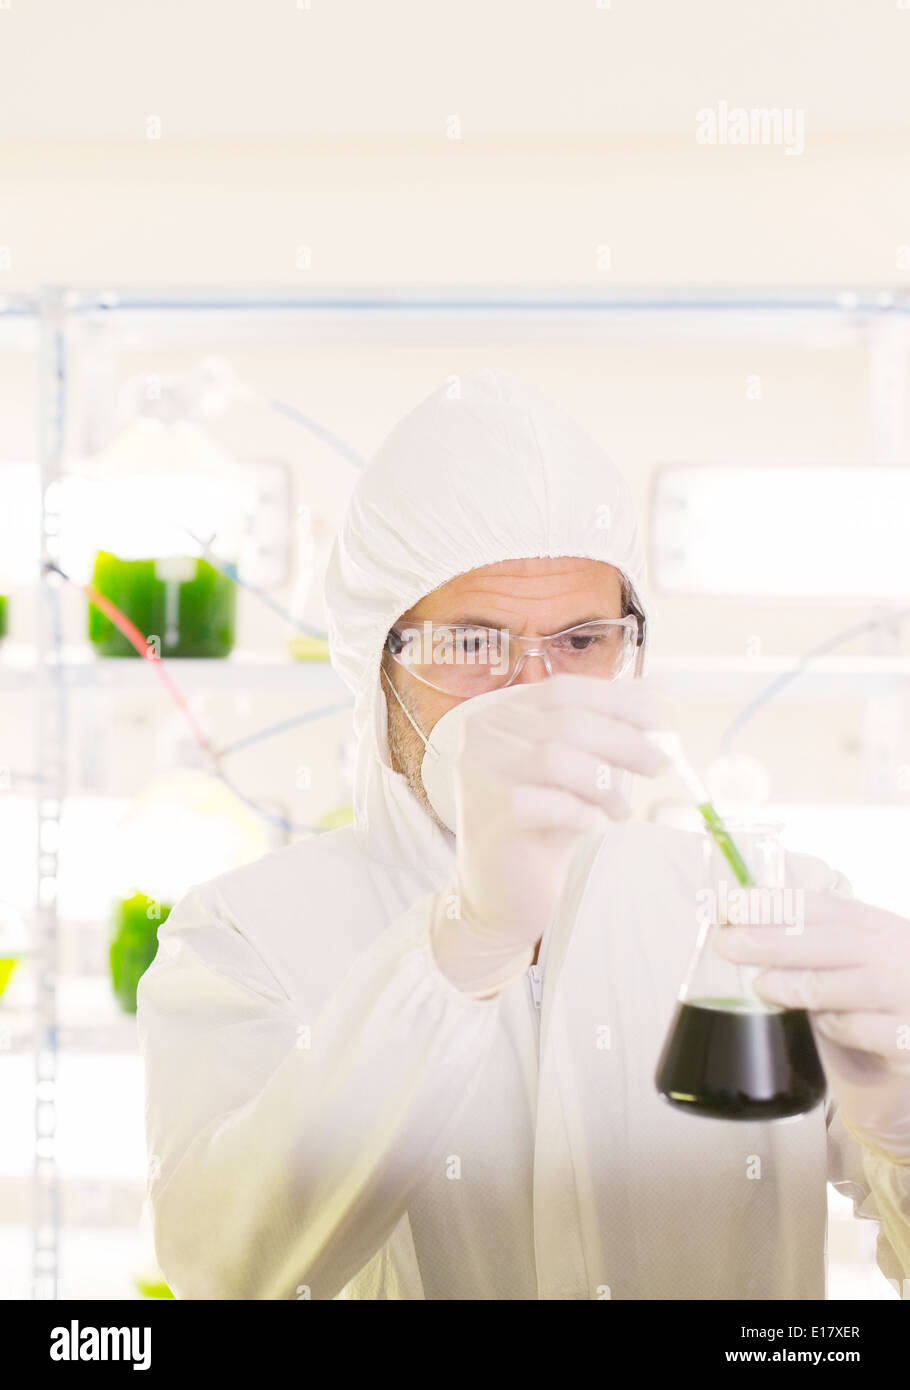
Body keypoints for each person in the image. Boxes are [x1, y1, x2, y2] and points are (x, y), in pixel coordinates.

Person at [137, 367, 910, 1300]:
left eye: (581, 641)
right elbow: (224, 1270)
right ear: (373, 663)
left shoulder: (764, 908)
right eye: (471, 643)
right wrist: (461, 948)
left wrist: (904, 1126)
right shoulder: (244, 937)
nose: (535, 691)